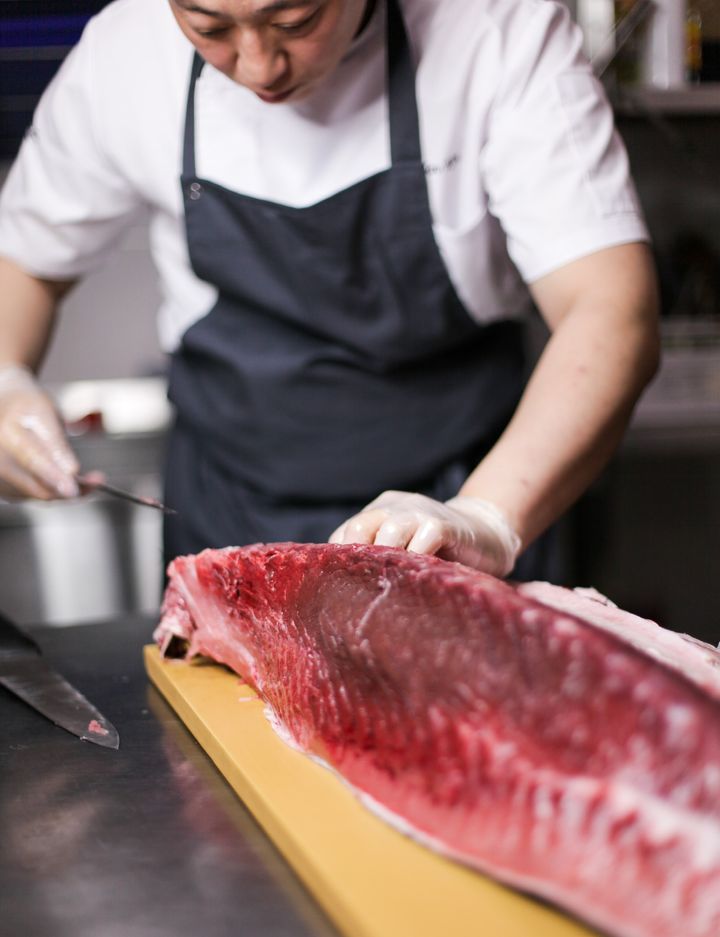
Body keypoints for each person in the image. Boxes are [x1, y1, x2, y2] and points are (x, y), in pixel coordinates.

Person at [0, 0, 660, 580]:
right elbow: (23, 260)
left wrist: (486, 514)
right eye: (208, 26)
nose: (258, 65)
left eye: (294, 21)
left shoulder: (498, 34)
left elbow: (610, 312)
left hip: (460, 495)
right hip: (229, 508)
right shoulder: (126, 50)